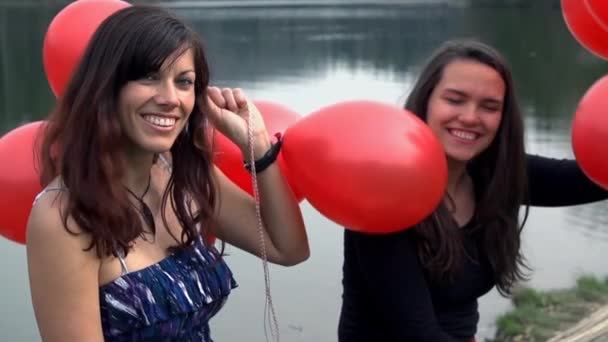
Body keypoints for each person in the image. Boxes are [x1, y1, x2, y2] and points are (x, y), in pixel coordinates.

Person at [26, 5, 309, 341]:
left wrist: (258, 145)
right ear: (106, 85)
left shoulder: (183, 176)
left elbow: (288, 249)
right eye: (148, 76)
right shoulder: (64, 218)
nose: (170, 98)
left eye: (184, 82)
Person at [338, 39, 608, 341]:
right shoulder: (383, 196)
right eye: (454, 100)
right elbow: (418, 335)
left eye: (489, 106)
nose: (470, 117)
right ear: (425, 101)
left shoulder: (494, 175)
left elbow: (594, 179)